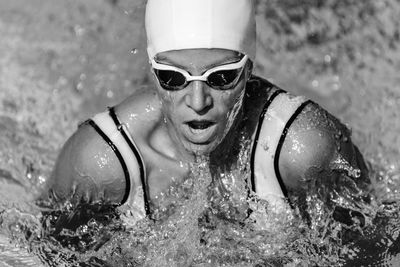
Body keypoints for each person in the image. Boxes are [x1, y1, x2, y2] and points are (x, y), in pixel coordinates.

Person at [38, 0, 371, 226]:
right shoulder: (98, 160)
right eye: (173, 79)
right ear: (152, 73)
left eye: (221, 77)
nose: (198, 101)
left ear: (249, 71)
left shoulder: (304, 147)